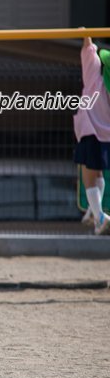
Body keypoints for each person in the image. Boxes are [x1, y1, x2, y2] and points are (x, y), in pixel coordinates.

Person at [74, 34, 110, 235]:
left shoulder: (94, 76)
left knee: (89, 174)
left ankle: (100, 216)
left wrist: (87, 35)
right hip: (106, 135)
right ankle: (94, 212)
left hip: (90, 131)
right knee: (98, 174)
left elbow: (89, 51)